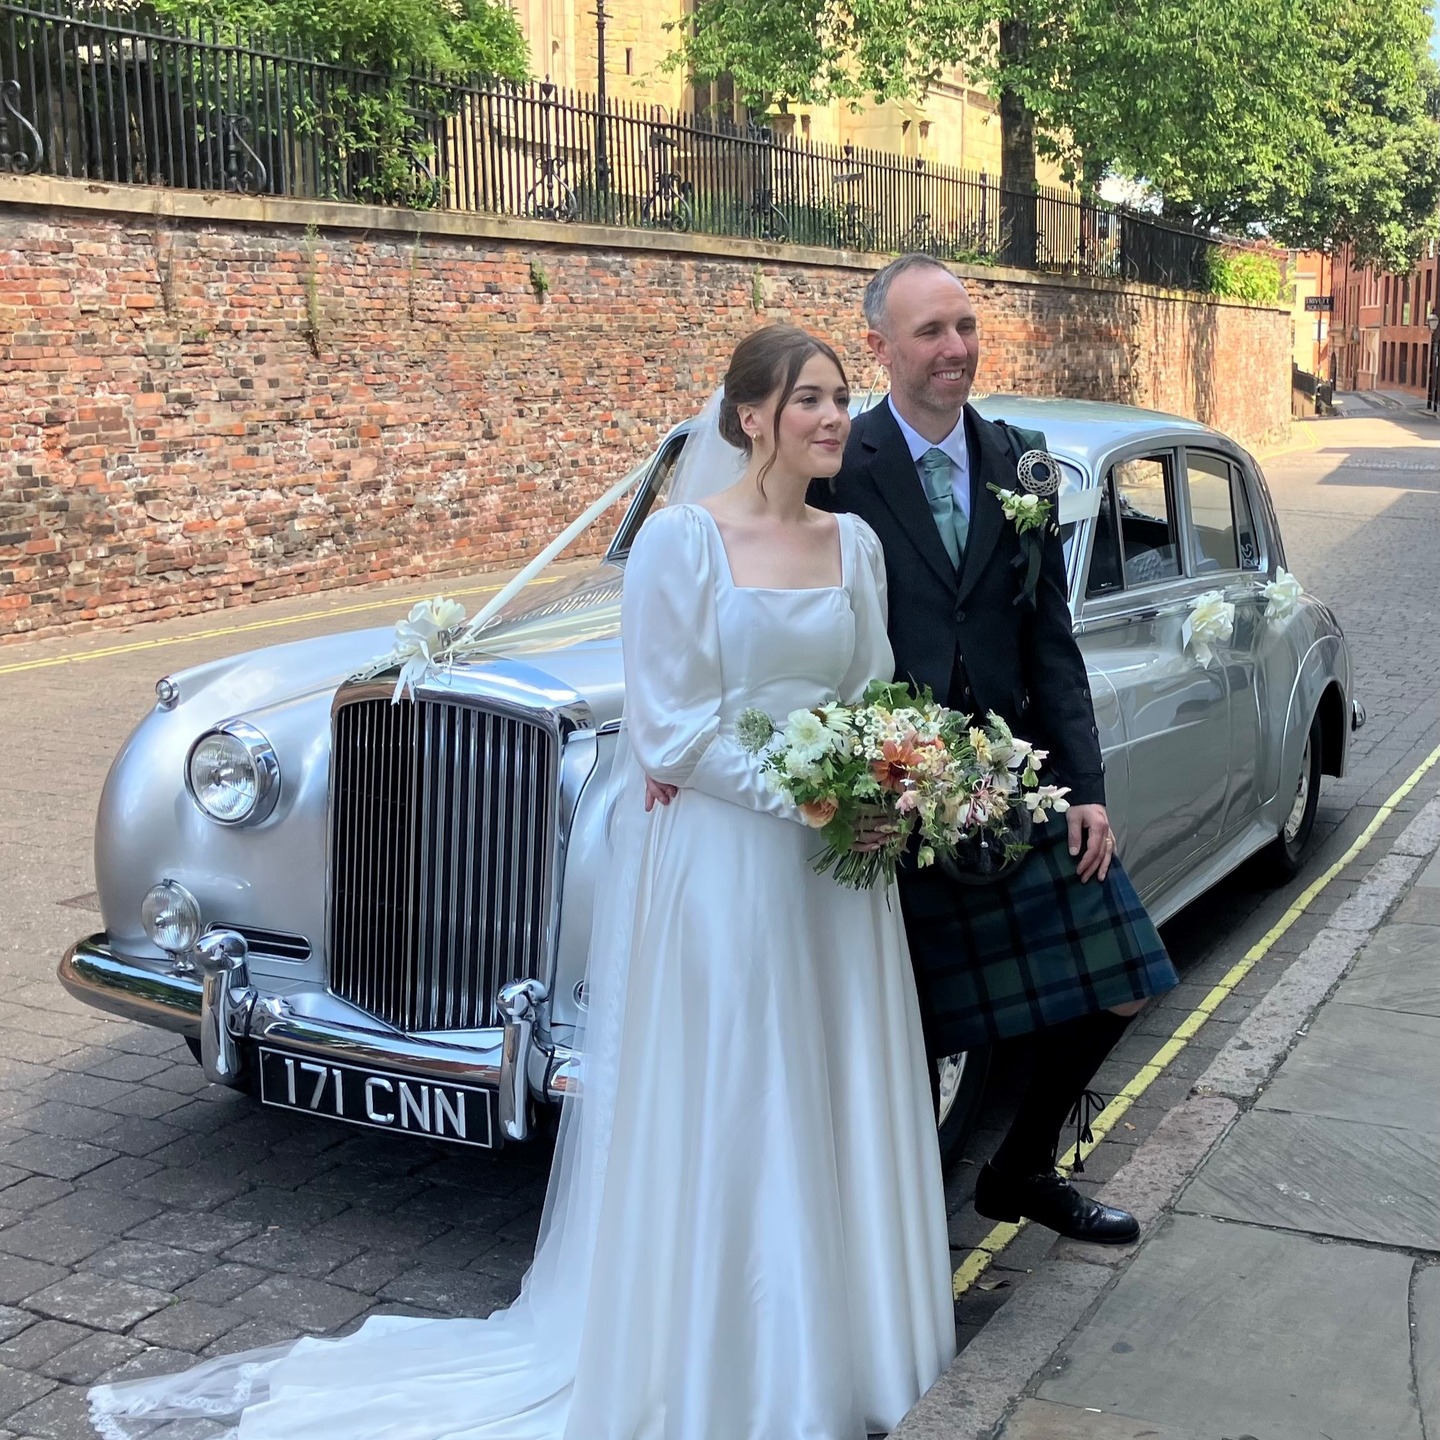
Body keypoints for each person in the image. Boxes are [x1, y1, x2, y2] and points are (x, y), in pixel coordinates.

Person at [87, 324, 955, 1440]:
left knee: (824, 1084)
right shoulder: (682, 545)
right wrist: (815, 796)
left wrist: (892, 780)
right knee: (732, 1089)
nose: (836, 419)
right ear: (751, 418)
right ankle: (706, 1354)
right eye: (812, 401)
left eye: (841, 399)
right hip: (728, 859)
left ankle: (839, 1347)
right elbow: (673, 731)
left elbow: (873, 689)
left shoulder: (856, 546)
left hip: (834, 877)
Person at [810, 254, 1179, 1245]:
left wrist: (1087, 788)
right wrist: (851, 786)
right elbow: (808, 640)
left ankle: (1020, 1170)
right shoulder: (841, 465)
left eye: (965, 327)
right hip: (895, 791)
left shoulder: (1021, 460)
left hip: (1015, 782)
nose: (955, 349)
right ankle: (882, 1259)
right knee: (910, 1038)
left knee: (1127, 980)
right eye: (930, 332)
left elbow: (1049, 639)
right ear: (880, 347)